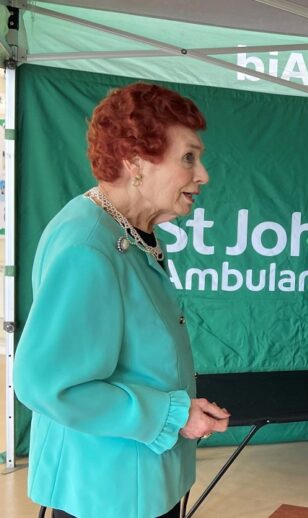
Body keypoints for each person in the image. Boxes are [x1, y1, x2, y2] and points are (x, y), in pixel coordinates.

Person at [14, 83, 230, 518]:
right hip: (105, 491)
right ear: (136, 162)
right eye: (188, 157)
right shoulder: (88, 245)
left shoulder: (125, 230)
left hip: (133, 482)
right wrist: (172, 415)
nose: (202, 173)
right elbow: (47, 384)